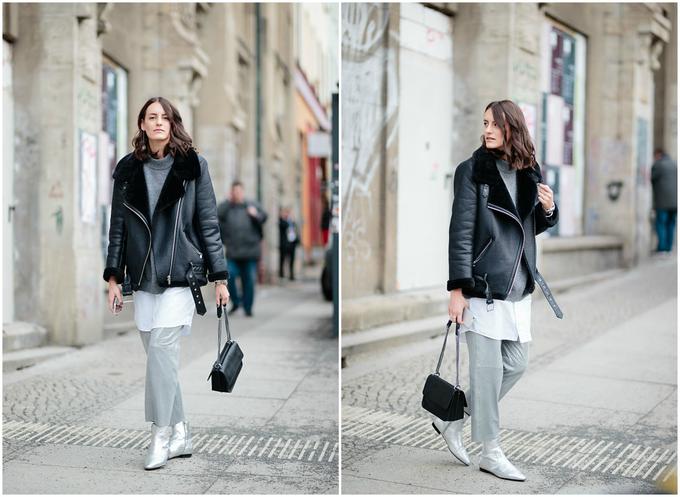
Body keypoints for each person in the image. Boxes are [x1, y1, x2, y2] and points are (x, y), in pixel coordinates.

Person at [103, 97, 230, 470]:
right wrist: (113, 278)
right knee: (161, 363)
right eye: (152, 117)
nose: (159, 122)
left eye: (165, 117)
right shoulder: (127, 170)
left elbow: (208, 223)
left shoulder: (193, 167)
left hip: (181, 276)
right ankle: (182, 432)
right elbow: (118, 228)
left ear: (174, 124)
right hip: (143, 279)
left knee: (161, 353)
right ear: (142, 124)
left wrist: (219, 277)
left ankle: (160, 436)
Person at [439, 100, 561, 482]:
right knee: (488, 371)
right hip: (483, 287)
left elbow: (527, 229)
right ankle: (491, 451)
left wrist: (548, 210)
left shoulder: (528, 171)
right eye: (485, 122)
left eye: (495, 123)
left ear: (513, 128)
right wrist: (458, 288)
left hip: (518, 287)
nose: (487, 129)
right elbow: (460, 231)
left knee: (517, 364)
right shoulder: (472, 171)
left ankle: (452, 420)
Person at [217, 181, 268, 317]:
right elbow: (216, 215)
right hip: (233, 252)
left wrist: (255, 214)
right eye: (234, 192)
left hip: (250, 252)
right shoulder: (227, 207)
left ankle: (248, 307)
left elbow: (264, 217)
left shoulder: (251, 205)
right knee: (230, 276)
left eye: (239, 191)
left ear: (243, 192)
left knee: (249, 281)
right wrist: (228, 202)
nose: (237, 194)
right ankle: (236, 302)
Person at [651, 148, 677, 253]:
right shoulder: (674, 165)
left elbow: (652, 179)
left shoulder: (658, 165)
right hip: (675, 202)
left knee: (661, 223)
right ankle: (669, 247)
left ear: (658, 155)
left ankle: (662, 248)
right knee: (671, 224)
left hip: (662, 202)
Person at [278, 207, 299, 280]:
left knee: (292, 260)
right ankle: (281, 273)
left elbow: (295, 231)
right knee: (283, 259)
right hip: (284, 244)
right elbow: (283, 226)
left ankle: (291, 274)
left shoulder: (292, 222)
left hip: (292, 243)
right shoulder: (282, 221)